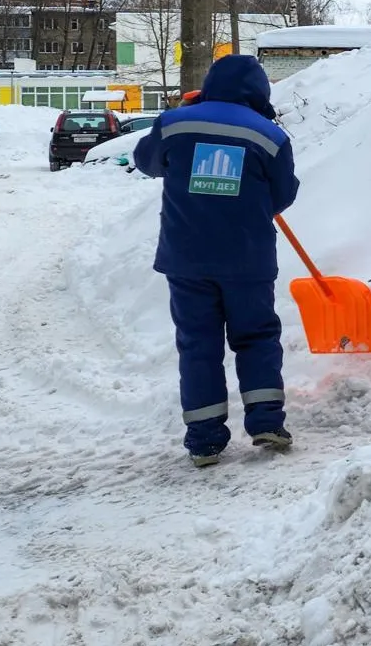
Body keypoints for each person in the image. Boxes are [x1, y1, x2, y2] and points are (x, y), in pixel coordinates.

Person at [133, 54, 301, 467]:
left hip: (186, 259)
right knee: (257, 337)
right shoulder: (269, 135)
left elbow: (145, 162)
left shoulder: (174, 123)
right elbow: (283, 195)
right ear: (260, 92)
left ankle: (205, 441)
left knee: (198, 345)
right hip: (247, 258)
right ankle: (266, 422)